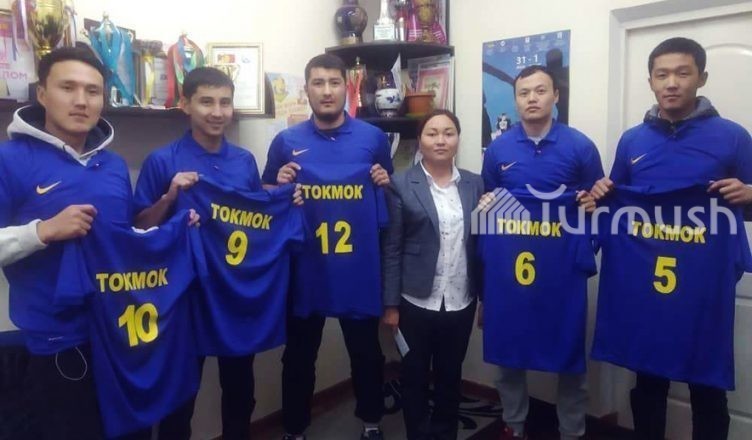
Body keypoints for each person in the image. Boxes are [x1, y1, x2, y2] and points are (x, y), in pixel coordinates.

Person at [587, 37, 752, 440]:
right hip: (647, 283)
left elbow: (747, 208)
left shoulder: (733, 137)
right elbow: (618, 202)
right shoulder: (633, 140)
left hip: (702, 286)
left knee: (707, 386)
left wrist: (750, 193)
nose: (672, 83)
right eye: (662, 75)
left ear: (701, 77)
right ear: (651, 81)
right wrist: (601, 193)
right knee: (648, 380)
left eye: (682, 73)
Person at [0, 47, 133, 439]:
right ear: (42, 94)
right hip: (56, 344)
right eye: (68, 87)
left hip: (120, 334)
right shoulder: (9, 159)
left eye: (93, 91)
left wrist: (171, 215)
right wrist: (43, 231)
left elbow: (122, 243)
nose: (81, 101)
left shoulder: (114, 165)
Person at [262, 53, 392, 440]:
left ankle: (371, 422)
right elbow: (265, 194)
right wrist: (279, 185)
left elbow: (386, 190)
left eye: (334, 82)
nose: (326, 91)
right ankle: (294, 429)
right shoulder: (286, 141)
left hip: (357, 268)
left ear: (346, 88)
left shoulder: (373, 138)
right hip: (306, 268)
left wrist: (382, 181)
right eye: (318, 83)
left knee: (366, 353)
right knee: (299, 356)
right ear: (307, 90)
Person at [133, 66, 260, 440]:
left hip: (233, 291)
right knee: (180, 396)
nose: (217, 112)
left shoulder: (244, 161)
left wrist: (285, 198)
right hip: (184, 295)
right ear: (186, 104)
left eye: (225, 102)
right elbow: (139, 227)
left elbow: (257, 221)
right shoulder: (163, 160)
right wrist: (169, 197)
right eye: (206, 102)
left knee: (240, 388)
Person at [480, 65, 604, 440]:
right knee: (509, 354)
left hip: (561, 274)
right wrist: (487, 206)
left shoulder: (580, 146)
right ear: (515, 100)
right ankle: (514, 426)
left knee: (569, 358)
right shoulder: (498, 149)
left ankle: (572, 432)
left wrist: (590, 211)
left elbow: (598, 205)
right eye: (523, 93)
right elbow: (491, 205)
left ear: (556, 96)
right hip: (511, 274)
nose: (531, 98)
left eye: (540, 90)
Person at [381, 109, 483, 440]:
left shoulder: (474, 183)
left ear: (458, 139)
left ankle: (445, 434)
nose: (441, 140)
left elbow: (481, 244)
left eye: (448, 133)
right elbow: (392, 248)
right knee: (414, 377)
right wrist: (390, 305)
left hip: (460, 300)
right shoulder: (400, 183)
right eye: (432, 133)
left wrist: (485, 297)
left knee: (450, 377)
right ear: (420, 140)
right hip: (414, 301)